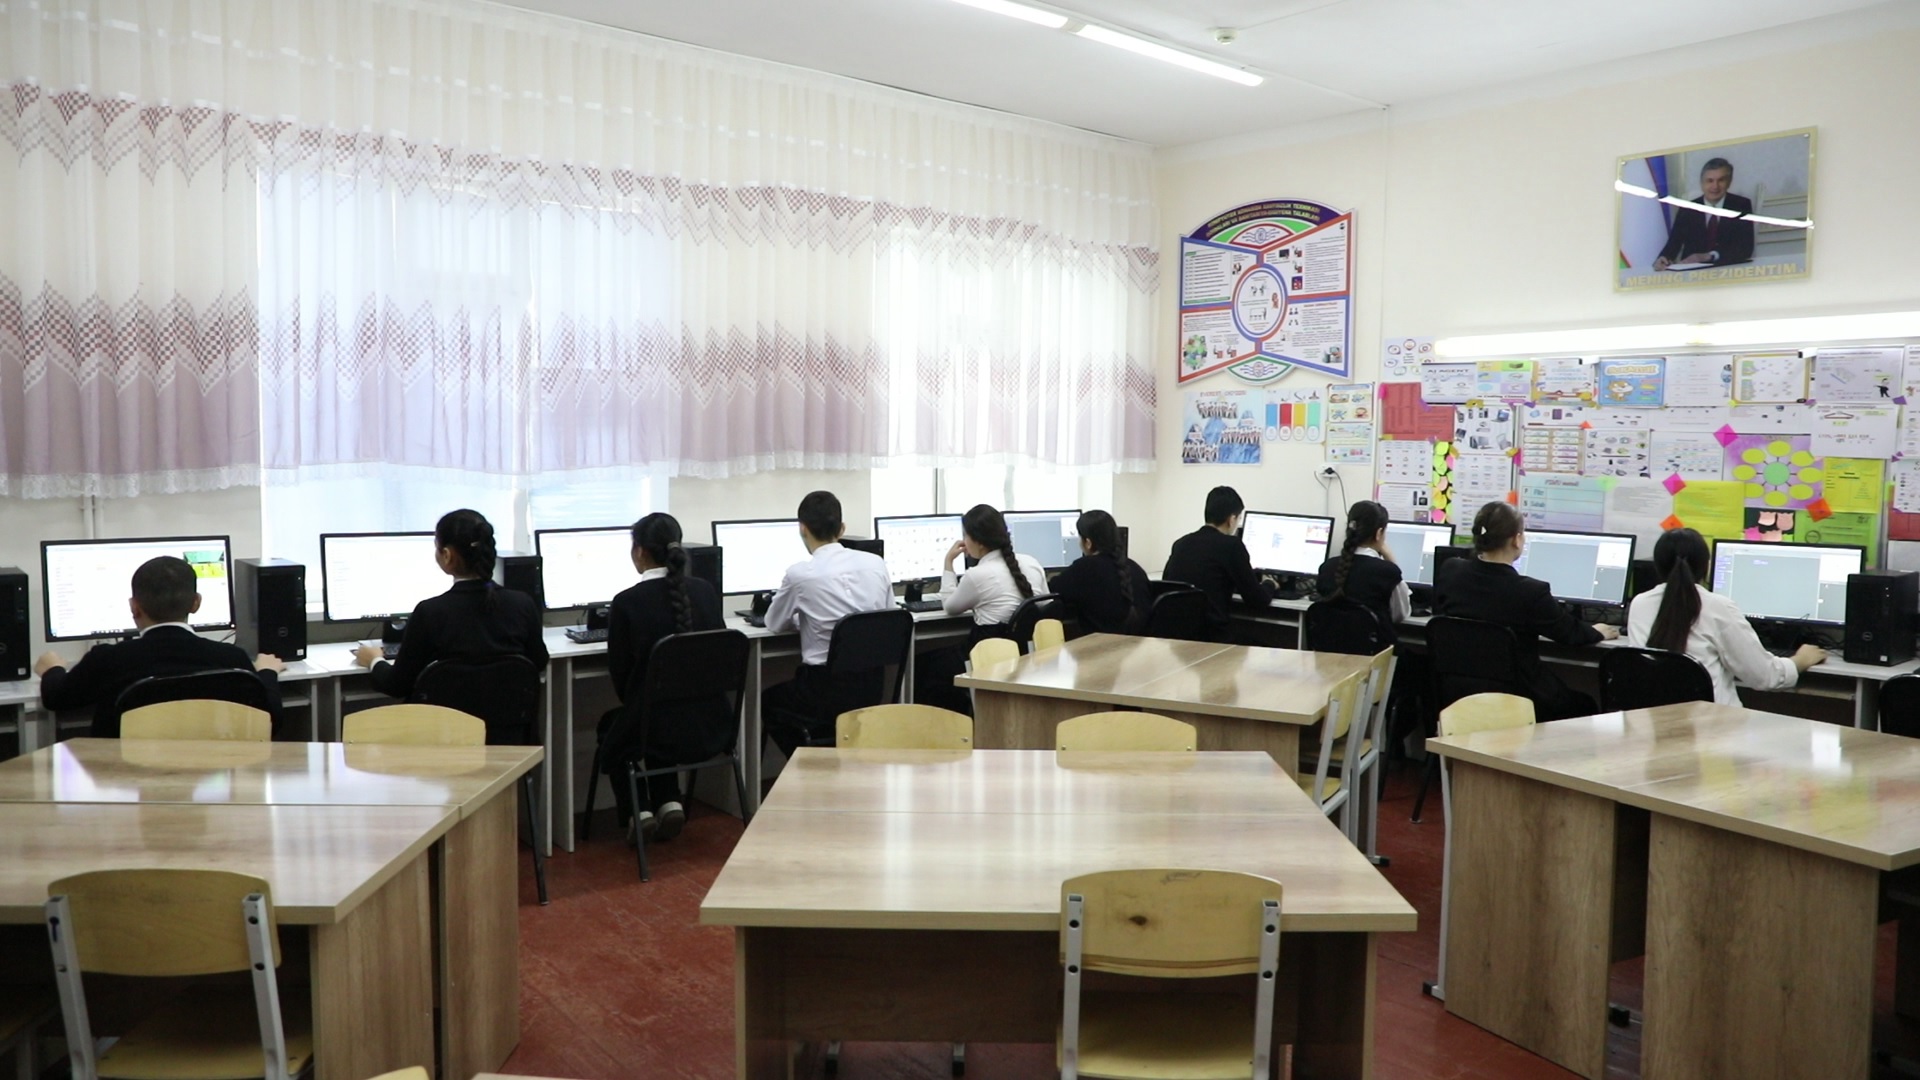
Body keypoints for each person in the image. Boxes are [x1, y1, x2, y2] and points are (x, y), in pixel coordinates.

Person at [35, 556, 286, 738]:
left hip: (125, 778)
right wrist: (266, 673)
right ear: (196, 603)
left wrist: (53, 669)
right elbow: (269, 720)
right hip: (208, 774)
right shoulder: (231, 658)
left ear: (134, 607)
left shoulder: (109, 659)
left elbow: (57, 699)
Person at [352, 509, 549, 734]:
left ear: (446, 555)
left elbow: (397, 685)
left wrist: (374, 660)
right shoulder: (522, 604)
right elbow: (538, 663)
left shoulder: (430, 612)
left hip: (446, 741)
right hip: (509, 741)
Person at [599, 512, 726, 840]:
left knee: (620, 723)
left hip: (657, 731)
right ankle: (669, 801)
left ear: (639, 552)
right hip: (713, 725)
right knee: (658, 712)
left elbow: (623, 683)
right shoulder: (705, 592)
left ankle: (638, 810)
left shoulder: (626, 603)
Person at [1432, 501, 1619, 721]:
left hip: (1459, 694)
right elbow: (1570, 634)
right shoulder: (1530, 592)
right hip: (1519, 699)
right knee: (1585, 704)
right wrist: (1597, 631)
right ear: (1516, 539)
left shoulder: (1451, 570)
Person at [760, 490, 894, 755]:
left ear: (802, 528)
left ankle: (811, 767)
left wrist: (806, 620)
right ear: (842, 528)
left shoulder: (800, 574)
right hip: (872, 687)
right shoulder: (876, 563)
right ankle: (829, 765)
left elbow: (774, 624)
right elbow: (888, 616)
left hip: (824, 691)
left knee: (768, 701)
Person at [1627, 527, 1824, 705]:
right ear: (1706, 566)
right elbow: (1765, 676)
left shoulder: (1640, 604)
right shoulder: (1717, 607)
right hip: (1712, 726)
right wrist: (1801, 660)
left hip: (1656, 722)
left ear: (1658, 566)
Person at [915, 504, 1049, 714]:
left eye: (965, 536)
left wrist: (948, 563)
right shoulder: (1031, 563)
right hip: (1024, 657)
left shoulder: (978, 574)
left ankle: (949, 725)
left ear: (978, 541)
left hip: (986, 656)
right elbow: (1044, 605)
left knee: (922, 665)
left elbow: (950, 607)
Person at [1162, 486, 1274, 643]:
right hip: (1211, 638)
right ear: (1231, 519)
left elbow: (1167, 584)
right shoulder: (1232, 546)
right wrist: (1270, 584)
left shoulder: (1181, 543)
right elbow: (1257, 600)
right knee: (1264, 644)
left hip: (1176, 640)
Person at [1314, 500, 1409, 647]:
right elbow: (1400, 615)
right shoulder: (1387, 572)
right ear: (1379, 533)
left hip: (1330, 657)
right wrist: (1391, 560)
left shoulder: (1327, 567)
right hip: (1376, 657)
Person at [1048, 510, 1150, 635]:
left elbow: (1053, 588)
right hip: (1138, 645)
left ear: (1088, 543)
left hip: (1099, 645)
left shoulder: (1084, 568)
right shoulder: (1136, 569)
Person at [1654, 157, 1755, 270]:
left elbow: (1746, 249)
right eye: (1710, 181)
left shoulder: (1741, 206)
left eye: (1721, 180)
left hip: (1728, 271)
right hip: (1692, 274)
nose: (1715, 186)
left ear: (1729, 182)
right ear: (1701, 183)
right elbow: (1673, 245)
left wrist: (1710, 256)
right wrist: (1663, 258)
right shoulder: (1687, 209)